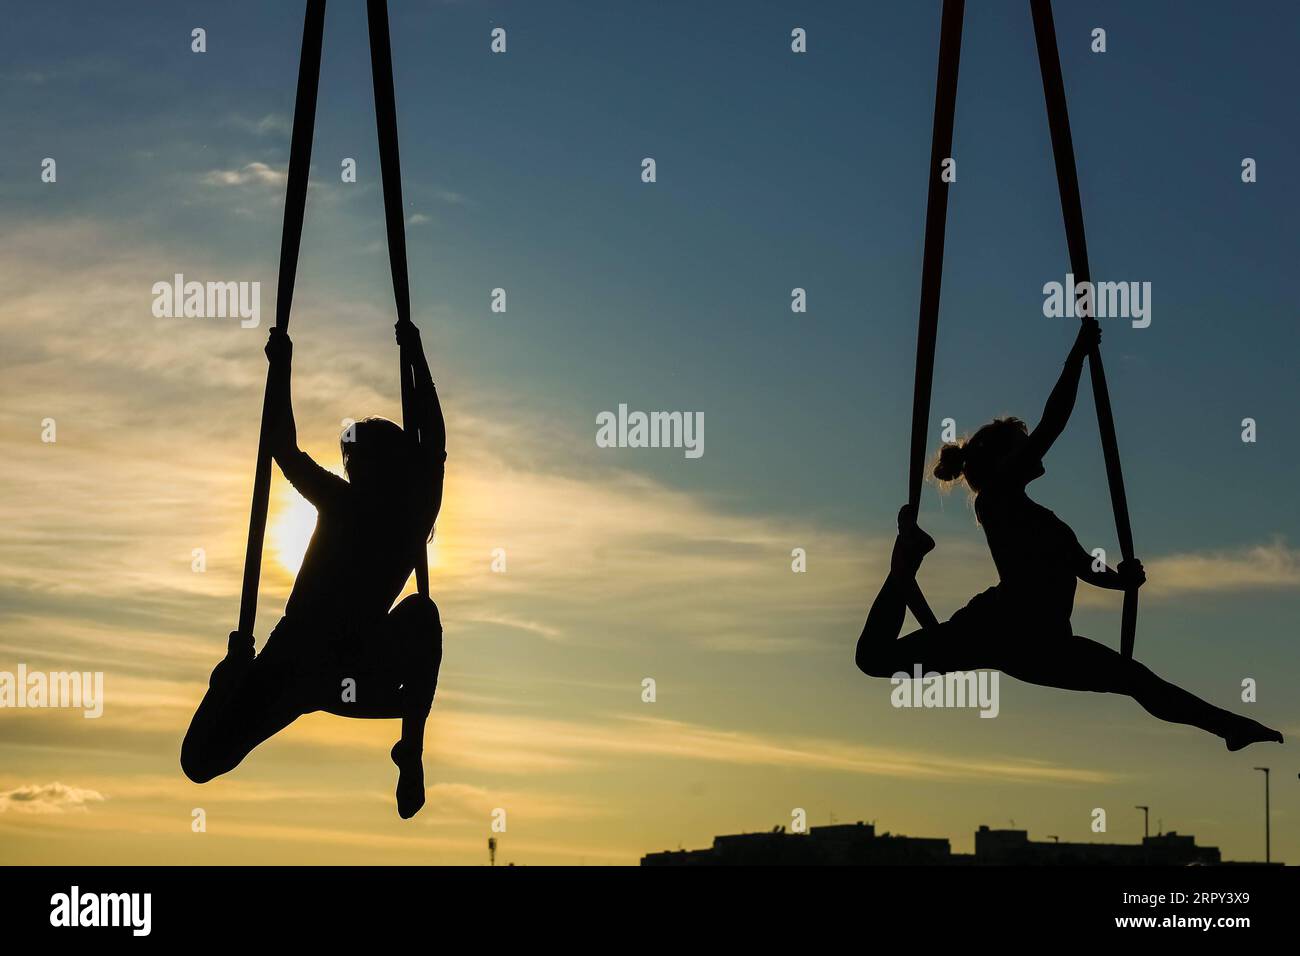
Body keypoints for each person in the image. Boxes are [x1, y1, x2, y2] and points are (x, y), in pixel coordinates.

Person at [855, 318, 1283, 751]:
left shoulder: (1048, 522)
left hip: (1045, 643)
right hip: (1001, 629)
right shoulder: (996, 500)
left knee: (1135, 680)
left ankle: (1230, 727)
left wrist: (1122, 579)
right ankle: (903, 566)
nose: (1033, 448)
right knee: (873, 658)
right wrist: (1076, 354)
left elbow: (1085, 568)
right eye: (1022, 444)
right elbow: (1053, 421)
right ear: (1004, 463)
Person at [182, 321, 446, 817]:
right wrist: (415, 353)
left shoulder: (345, 503)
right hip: (336, 671)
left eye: (356, 462)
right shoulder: (418, 511)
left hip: (308, 665)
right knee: (424, 619)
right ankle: (412, 737)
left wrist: (280, 367)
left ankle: (410, 747)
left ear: (372, 468)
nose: (350, 469)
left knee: (199, 762)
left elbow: (284, 448)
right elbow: (434, 435)